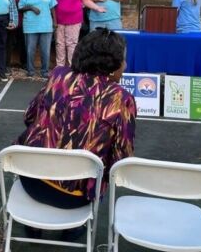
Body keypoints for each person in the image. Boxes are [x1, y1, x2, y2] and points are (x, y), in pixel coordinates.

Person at [15, 28, 136, 239]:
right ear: (113, 64)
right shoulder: (121, 99)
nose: (125, 65)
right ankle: (71, 230)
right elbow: (121, 160)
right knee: (100, 171)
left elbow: (29, 116)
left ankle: (33, 226)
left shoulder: (58, 76)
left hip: (31, 179)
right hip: (74, 196)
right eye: (123, 60)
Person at [51, 0, 105, 67]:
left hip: (75, 20)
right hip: (59, 20)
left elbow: (86, 1)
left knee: (72, 44)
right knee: (59, 44)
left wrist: (97, 7)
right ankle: (60, 68)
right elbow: (51, 2)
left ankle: (72, 68)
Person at [18, 0, 57, 78]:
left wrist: (55, 22)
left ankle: (45, 71)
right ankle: (30, 71)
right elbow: (20, 7)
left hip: (46, 25)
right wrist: (31, 7)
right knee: (30, 50)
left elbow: (53, 7)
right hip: (30, 26)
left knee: (46, 51)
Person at [6, 0, 27, 70]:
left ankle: (24, 63)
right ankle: (6, 64)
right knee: (9, 44)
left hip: (22, 21)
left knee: (23, 44)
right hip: (11, 21)